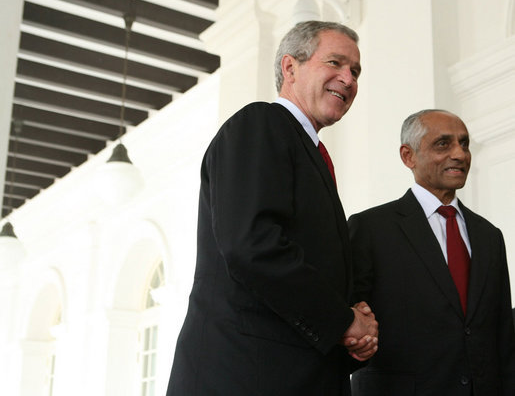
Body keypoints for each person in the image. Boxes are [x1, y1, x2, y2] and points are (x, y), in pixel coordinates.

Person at [166, 21, 378, 396]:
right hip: (246, 375)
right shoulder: (260, 123)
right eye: (335, 62)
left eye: (355, 71)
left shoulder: (308, 151)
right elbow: (252, 245)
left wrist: (353, 337)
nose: (348, 79)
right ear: (290, 68)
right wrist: (343, 321)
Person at [349, 109, 515, 395]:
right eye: (443, 144)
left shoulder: (490, 236)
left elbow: (502, 335)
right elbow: (351, 321)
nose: (460, 155)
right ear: (408, 156)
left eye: (464, 144)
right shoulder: (369, 228)